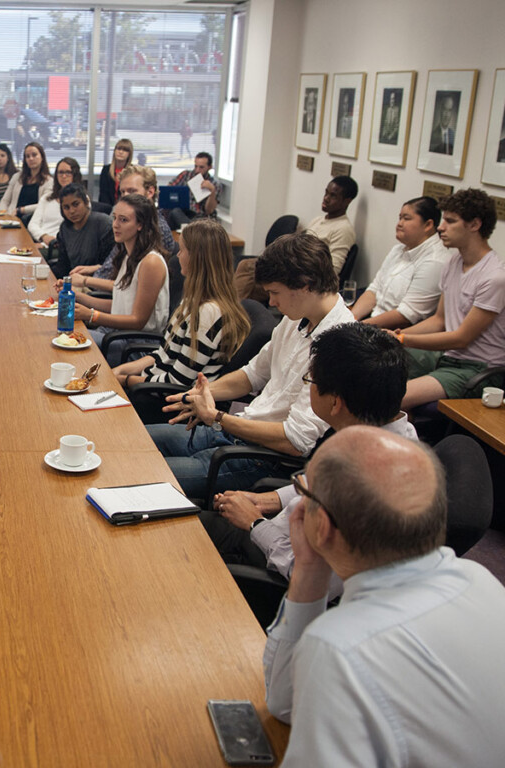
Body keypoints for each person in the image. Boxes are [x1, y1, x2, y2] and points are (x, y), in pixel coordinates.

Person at [262, 426, 505, 765]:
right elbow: (284, 705)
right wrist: (309, 568)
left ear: (324, 525)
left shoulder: (340, 647)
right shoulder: (481, 580)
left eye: (304, 490)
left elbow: (283, 703)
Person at [206, 323, 415, 590]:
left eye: (311, 381)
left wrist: (255, 524)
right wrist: (265, 500)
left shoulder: (373, 484)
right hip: (277, 532)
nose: (310, 388)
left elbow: (314, 578)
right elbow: (321, 484)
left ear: (336, 403)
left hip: (276, 575)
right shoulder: (382, 432)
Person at [148, 231, 353, 498]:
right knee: (135, 443)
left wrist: (218, 417)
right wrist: (203, 393)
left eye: (275, 293)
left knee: (144, 473)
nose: (272, 302)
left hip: (262, 459)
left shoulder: (340, 345)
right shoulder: (297, 316)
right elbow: (252, 374)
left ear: (305, 284)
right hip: (237, 433)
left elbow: (295, 441)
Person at [397, 188, 505, 409]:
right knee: (369, 368)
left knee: (391, 398)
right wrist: (395, 336)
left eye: (450, 221)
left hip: (476, 369)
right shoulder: (453, 263)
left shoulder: (495, 277)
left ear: (474, 225)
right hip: (446, 358)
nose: (440, 227)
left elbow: (461, 338)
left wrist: (403, 339)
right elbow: (439, 320)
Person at [112, 218, 249, 388]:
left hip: (158, 396)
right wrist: (120, 371)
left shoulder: (207, 314)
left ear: (196, 258)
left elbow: (177, 382)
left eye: (182, 250)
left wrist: (125, 381)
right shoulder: (193, 299)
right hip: (148, 384)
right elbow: (163, 355)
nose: (178, 255)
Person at [60, 194, 169, 352]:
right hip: (116, 334)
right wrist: (79, 297)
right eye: (115, 218)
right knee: (61, 334)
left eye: (123, 220)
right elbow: (120, 306)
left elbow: (137, 320)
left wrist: (91, 315)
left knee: (63, 342)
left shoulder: (151, 262)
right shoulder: (128, 255)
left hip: (132, 344)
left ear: (140, 224)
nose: (115, 225)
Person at [235, 176, 357, 301]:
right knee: (246, 268)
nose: (326, 198)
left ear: (347, 201)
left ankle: (230, 311)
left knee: (247, 276)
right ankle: (232, 309)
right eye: (326, 192)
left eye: (333, 196)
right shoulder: (318, 220)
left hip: (302, 279)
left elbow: (333, 269)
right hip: (290, 268)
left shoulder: (343, 229)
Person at [351, 196, 450, 328]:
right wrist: (351, 319)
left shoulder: (435, 261)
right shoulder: (397, 250)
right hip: (370, 321)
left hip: (397, 332)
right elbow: (374, 291)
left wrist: (356, 328)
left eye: (407, 219)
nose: (399, 224)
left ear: (428, 225)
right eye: (400, 218)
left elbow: (407, 314)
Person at [73, 165, 178, 281]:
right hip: (101, 283)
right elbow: (120, 265)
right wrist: (97, 268)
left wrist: (86, 282)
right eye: (123, 192)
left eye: (132, 191)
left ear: (150, 192)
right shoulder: (130, 222)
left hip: (109, 292)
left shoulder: (156, 229)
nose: (125, 196)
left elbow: (129, 285)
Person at [51, 183, 114, 276]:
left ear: (86, 202)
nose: (72, 211)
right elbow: (63, 266)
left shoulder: (103, 224)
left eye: (76, 204)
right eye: (66, 207)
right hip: (72, 280)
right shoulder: (64, 228)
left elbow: (109, 265)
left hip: (98, 282)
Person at [27, 157, 82, 246]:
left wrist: (48, 244)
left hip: (60, 247)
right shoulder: (47, 198)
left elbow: (74, 232)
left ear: (75, 175)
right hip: (40, 241)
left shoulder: (81, 200)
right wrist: (44, 236)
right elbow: (33, 224)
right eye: (60, 172)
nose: (64, 176)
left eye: (68, 172)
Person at [0, 142, 52, 218]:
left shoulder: (49, 181)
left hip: (33, 220)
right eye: (27, 156)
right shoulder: (17, 177)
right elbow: (5, 201)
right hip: (12, 219)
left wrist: (22, 210)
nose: (31, 158)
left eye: (34, 155)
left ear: (42, 157)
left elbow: (44, 205)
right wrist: (4, 216)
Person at [166, 151, 220, 225]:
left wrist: (212, 191)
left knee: (204, 221)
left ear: (209, 167)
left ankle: (191, 229)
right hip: (183, 211)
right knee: (174, 212)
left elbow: (209, 210)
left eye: (201, 167)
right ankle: (191, 229)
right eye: (195, 166)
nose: (197, 170)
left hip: (200, 216)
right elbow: (168, 189)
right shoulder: (186, 175)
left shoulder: (214, 184)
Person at [99, 138, 133, 206]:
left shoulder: (132, 171)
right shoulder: (106, 169)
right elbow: (103, 194)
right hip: (107, 208)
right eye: (118, 149)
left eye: (125, 150)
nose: (121, 152)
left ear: (129, 154)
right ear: (114, 151)